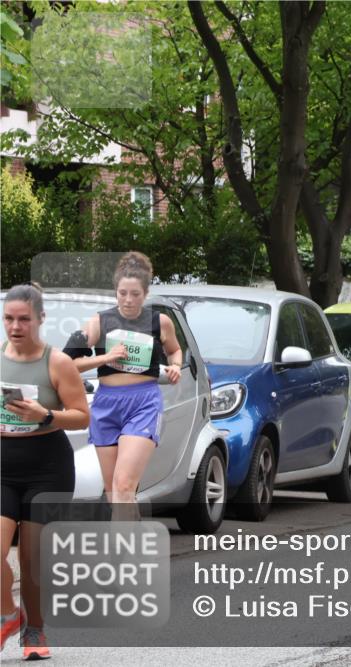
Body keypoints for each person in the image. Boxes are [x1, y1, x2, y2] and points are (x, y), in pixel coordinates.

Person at [2, 284, 89, 660]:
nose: (15, 326)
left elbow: (82, 415)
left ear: (40, 319)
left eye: (24, 319)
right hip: (3, 466)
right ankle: (8, 615)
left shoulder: (57, 363)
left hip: (48, 469)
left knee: (32, 560)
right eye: (9, 318)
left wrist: (46, 415)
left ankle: (34, 630)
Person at [64, 252, 183, 519]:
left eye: (135, 294)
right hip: (107, 404)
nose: (128, 300)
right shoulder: (99, 322)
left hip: (143, 403)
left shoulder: (159, 322)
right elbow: (67, 363)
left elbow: (175, 351)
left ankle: (123, 551)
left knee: (124, 484)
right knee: (112, 491)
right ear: (115, 292)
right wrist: (106, 357)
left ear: (146, 293)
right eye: (122, 293)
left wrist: (175, 366)